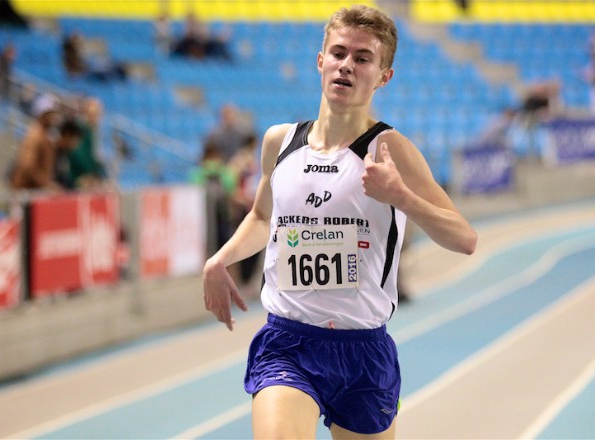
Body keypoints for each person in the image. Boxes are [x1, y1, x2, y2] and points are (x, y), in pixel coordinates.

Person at [201, 5, 477, 439]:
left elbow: (464, 239)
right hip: (287, 342)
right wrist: (220, 259)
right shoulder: (281, 141)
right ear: (320, 60)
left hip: (363, 350)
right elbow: (261, 216)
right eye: (339, 53)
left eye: (363, 58)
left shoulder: (390, 149)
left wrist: (400, 197)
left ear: (384, 75)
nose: (347, 66)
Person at [9, 93, 63, 191]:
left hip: (34, 191)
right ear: (43, 114)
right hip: (26, 193)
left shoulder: (44, 135)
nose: (55, 118)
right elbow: (27, 165)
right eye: (52, 114)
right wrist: (45, 184)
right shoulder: (34, 135)